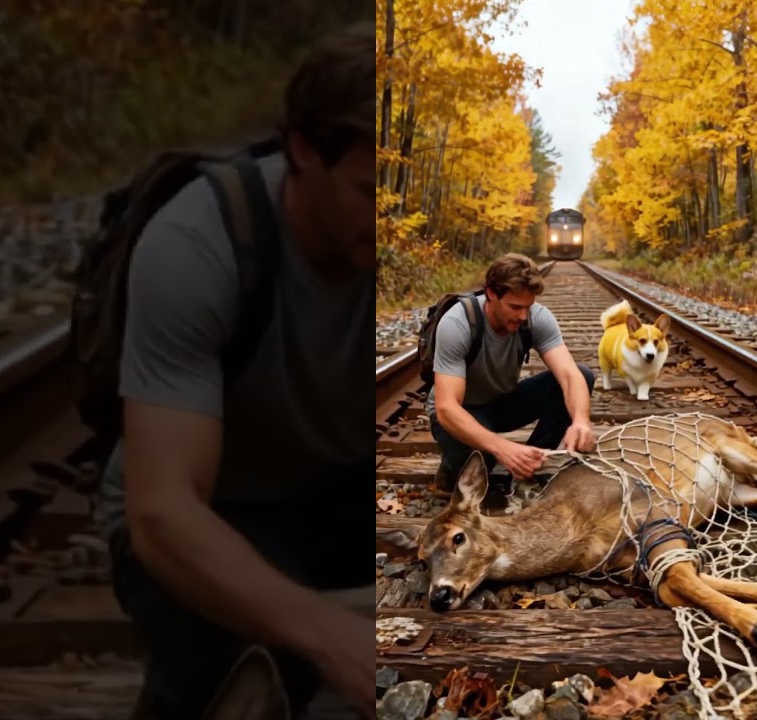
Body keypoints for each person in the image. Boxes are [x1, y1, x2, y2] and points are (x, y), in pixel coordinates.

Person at [90, 22, 377, 719]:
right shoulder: (200, 244)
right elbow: (162, 512)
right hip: (217, 505)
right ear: (302, 150)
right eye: (373, 191)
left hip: (338, 490)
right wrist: (330, 636)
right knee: (238, 674)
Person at [428, 253, 597, 487]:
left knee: (583, 375)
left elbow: (570, 376)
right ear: (490, 294)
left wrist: (581, 421)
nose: (523, 315)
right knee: (480, 466)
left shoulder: (536, 317)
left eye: (528, 306)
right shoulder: (458, 323)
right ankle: (450, 467)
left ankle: (530, 467)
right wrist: (502, 448)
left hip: (502, 402)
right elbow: (446, 408)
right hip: (461, 410)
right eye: (515, 306)